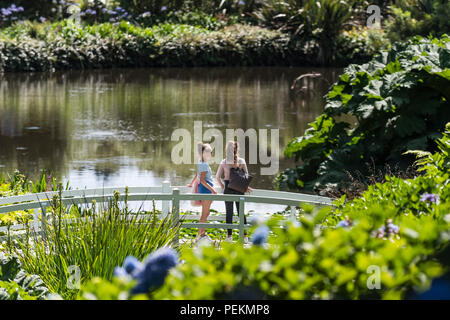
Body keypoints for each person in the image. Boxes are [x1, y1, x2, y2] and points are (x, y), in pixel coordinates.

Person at [216, 141, 252, 243]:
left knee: (229, 213)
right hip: (239, 188)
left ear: (226, 150)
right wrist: (246, 187)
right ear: (237, 149)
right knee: (241, 212)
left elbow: (217, 177)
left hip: (228, 188)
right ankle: (245, 237)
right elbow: (247, 176)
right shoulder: (242, 161)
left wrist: (223, 186)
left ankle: (229, 237)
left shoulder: (223, 162)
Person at [188, 142, 217, 244]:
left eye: (211, 152)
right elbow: (203, 181)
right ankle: (201, 235)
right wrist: (213, 190)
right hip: (206, 190)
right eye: (207, 151)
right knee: (205, 214)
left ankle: (200, 234)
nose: (210, 153)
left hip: (204, 189)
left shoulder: (201, 162)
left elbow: (198, 175)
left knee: (206, 213)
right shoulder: (203, 164)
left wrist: (191, 183)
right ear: (202, 153)